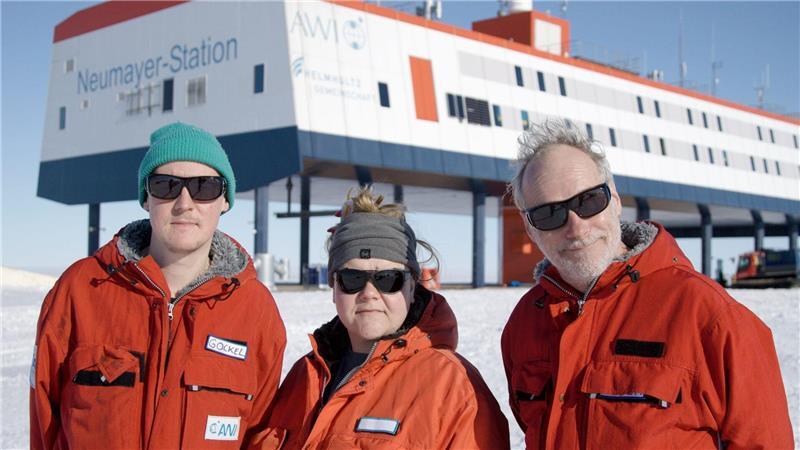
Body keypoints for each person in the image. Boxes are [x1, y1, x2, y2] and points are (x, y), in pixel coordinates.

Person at [502, 119, 794, 449]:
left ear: (614, 199)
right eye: (550, 213)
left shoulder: (709, 316)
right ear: (529, 228)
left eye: (587, 201)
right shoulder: (524, 323)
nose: (576, 227)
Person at [30, 122, 287, 449]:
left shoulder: (256, 310)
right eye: (166, 185)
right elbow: (43, 427)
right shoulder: (79, 291)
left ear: (224, 200)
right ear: (145, 198)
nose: (184, 203)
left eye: (204, 187)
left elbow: (260, 435)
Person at [254, 187, 509, 449]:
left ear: (411, 288)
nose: (369, 293)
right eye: (352, 278)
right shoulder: (304, 376)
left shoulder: (453, 387)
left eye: (388, 279)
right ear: (334, 287)